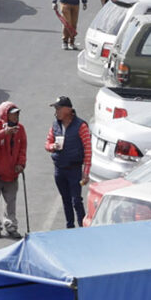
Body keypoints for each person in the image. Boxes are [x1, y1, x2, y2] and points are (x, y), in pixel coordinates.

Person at [44, 97, 90, 229]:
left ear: (68, 110)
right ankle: (70, 227)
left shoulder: (81, 126)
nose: (56, 112)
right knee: (65, 199)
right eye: (55, 109)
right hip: (59, 169)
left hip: (74, 169)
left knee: (76, 200)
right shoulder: (55, 125)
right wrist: (52, 146)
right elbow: (47, 143)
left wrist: (85, 173)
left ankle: (83, 227)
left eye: (58, 108)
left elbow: (88, 150)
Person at [0, 101, 26, 240]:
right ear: (5, 115)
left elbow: (22, 149)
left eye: (17, 114)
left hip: (12, 175)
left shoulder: (20, 129)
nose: (16, 116)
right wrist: (4, 132)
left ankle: (11, 227)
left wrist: (21, 164)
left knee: (10, 203)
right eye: (13, 114)